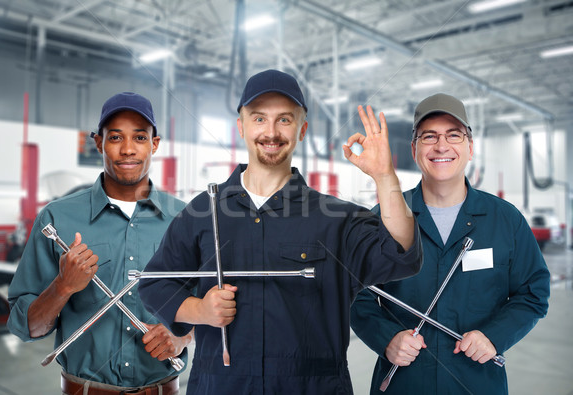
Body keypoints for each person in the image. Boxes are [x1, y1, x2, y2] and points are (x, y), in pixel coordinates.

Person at [138, 69, 423, 394]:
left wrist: (386, 177)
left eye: (284, 120)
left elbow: (401, 253)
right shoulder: (204, 211)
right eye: (259, 118)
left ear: (302, 129)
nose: (271, 132)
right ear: (241, 127)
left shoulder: (337, 219)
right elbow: (155, 283)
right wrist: (199, 311)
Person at [350, 93, 551, 394]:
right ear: (415, 149)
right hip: (404, 382)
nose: (441, 146)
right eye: (429, 136)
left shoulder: (505, 220)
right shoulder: (382, 219)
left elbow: (533, 292)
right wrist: (387, 338)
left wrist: (494, 337)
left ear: (470, 148)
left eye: (453, 135)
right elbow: (354, 293)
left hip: (476, 381)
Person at [7, 92, 192, 395]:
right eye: (116, 137)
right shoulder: (57, 219)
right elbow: (25, 328)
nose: (128, 150)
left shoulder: (184, 220)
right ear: (98, 142)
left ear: (154, 144)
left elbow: (213, 310)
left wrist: (183, 337)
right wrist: (63, 286)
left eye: (140, 138)